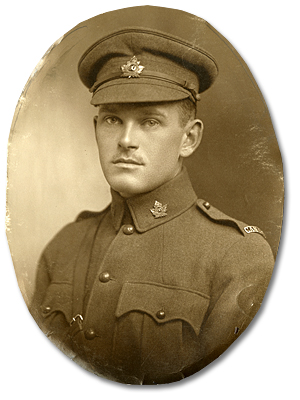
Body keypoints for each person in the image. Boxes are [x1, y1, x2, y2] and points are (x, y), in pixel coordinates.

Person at [30, 27, 274, 385]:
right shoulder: (64, 246)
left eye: (149, 121)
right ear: (96, 126)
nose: (126, 141)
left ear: (188, 138)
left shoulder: (238, 257)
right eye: (113, 120)